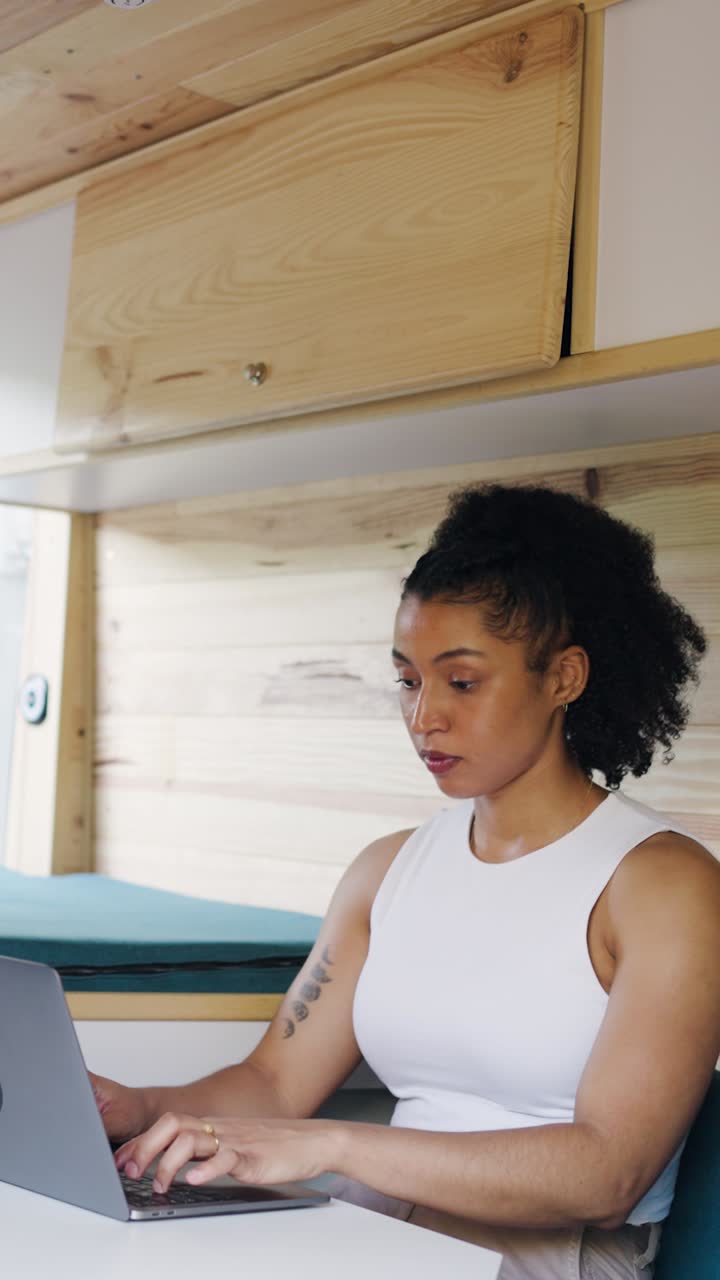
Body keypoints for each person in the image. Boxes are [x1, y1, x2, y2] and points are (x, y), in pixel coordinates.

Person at [92, 484, 720, 1280]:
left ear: (564, 678)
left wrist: (334, 1144)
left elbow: (606, 1175)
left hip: (552, 1252)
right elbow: (276, 1083)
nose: (424, 717)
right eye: (407, 681)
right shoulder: (388, 868)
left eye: (461, 682)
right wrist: (137, 1110)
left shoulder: (663, 884)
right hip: (381, 1217)